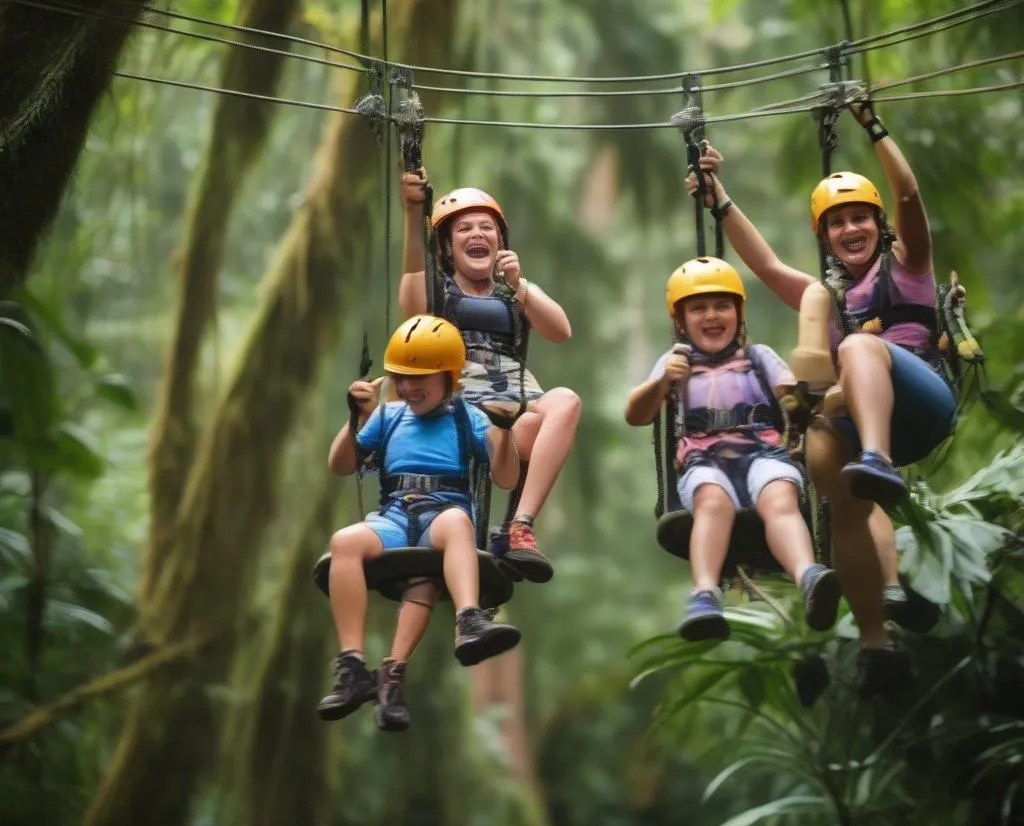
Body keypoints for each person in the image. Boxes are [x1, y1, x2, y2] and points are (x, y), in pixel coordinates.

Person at [690, 101, 957, 694]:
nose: (850, 229)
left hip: (922, 403)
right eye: (837, 223)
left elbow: (909, 198)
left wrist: (874, 125)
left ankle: (878, 462)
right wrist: (719, 197)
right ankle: (876, 643)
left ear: (878, 224)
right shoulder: (825, 296)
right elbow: (761, 264)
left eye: (860, 217)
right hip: (861, 426)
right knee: (822, 461)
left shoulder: (909, 264)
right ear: (825, 236)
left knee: (859, 351)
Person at [317, 315, 522, 729]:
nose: (409, 388)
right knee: (343, 541)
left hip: (443, 515)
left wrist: (503, 432)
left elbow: (506, 478)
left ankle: (468, 620)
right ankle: (354, 666)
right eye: (402, 378)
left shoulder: (470, 418)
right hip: (394, 516)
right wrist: (354, 419)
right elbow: (341, 465)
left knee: (453, 529)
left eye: (421, 378)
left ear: (450, 377)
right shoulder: (389, 416)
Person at [625, 256, 840, 640]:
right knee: (712, 500)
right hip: (704, 461)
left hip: (764, 453)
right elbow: (636, 414)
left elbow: (790, 393)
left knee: (779, 497)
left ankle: (809, 576)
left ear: (738, 313)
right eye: (698, 308)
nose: (711, 316)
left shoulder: (759, 359)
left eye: (722, 305)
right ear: (680, 321)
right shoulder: (675, 364)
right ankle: (704, 593)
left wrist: (801, 399)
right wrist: (660, 384)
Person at [397, 172, 580, 581]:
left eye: (486, 228)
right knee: (512, 412)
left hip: (510, 411)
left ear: (500, 243)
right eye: (464, 229)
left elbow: (560, 330)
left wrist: (519, 286)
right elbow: (410, 301)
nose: (477, 234)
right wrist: (414, 214)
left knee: (565, 400)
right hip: (461, 411)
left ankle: (520, 526)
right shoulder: (437, 291)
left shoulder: (514, 292)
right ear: (446, 246)